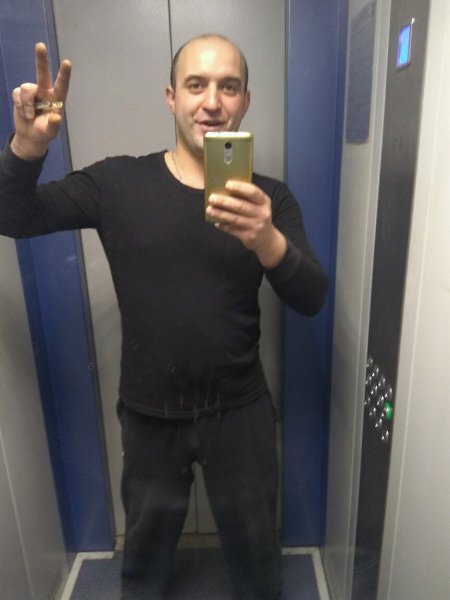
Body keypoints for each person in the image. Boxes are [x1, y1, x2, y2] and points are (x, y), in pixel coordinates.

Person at [0, 35, 328, 599]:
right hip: (149, 414)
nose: (212, 102)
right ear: (171, 97)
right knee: (144, 566)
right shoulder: (116, 183)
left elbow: (311, 297)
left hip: (240, 412)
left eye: (228, 87)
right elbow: (14, 217)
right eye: (196, 85)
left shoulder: (268, 199)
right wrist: (26, 149)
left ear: (246, 101)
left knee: (257, 564)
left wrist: (268, 241)